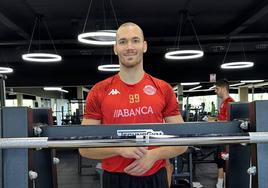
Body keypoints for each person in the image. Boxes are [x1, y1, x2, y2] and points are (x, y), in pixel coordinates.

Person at [79, 22, 188, 188]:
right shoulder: (99, 91)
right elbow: (84, 148)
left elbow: (183, 141)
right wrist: (119, 148)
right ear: (115, 48)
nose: (129, 47)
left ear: (144, 46)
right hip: (115, 179)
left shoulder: (163, 88)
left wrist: (154, 155)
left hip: (154, 176)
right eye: (122, 42)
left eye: (135, 40)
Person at [210, 79, 235, 188]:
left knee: (224, 161)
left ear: (224, 89)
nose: (216, 91)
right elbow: (222, 118)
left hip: (227, 137)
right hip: (222, 136)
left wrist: (214, 121)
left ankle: (223, 183)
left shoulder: (230, 102)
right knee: (220, 160)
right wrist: (213, 118)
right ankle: (220, 183)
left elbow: (229, 122)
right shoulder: (223, 103)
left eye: (217, 88)